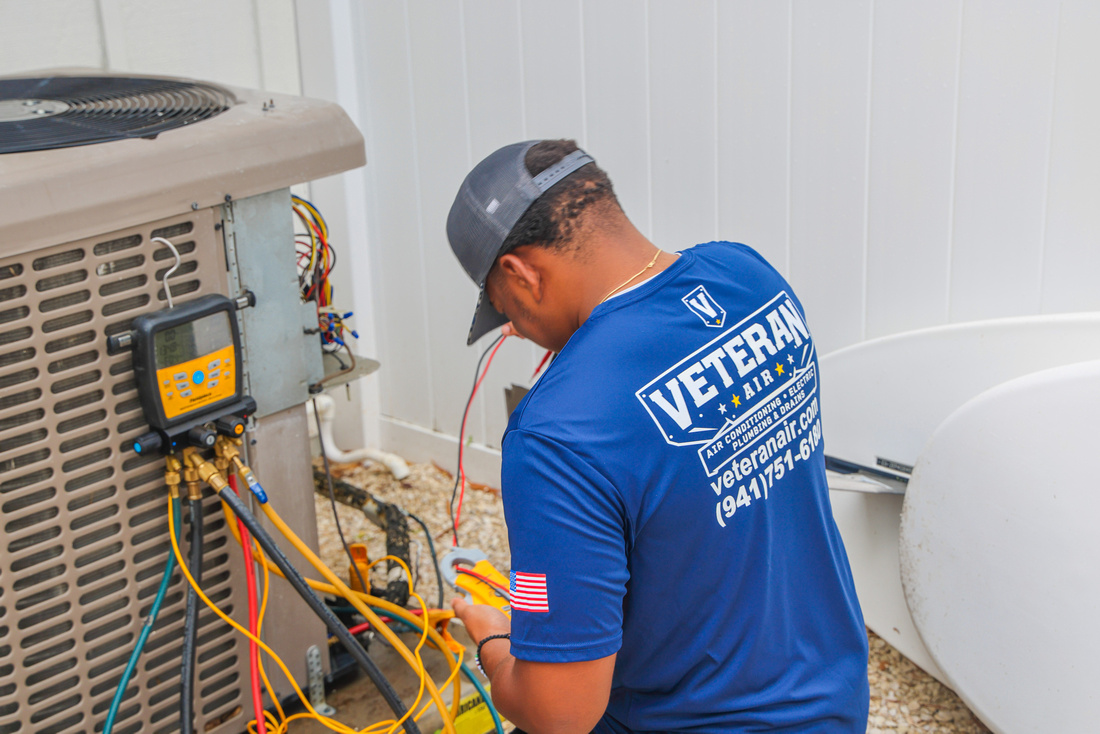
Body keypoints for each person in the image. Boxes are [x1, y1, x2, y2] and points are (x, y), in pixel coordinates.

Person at [446, 139, 869, 733]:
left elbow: (559, 713)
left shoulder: (555, 434)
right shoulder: (749, 276)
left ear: (521, 272)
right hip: (831, 702)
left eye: (503, 306)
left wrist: (495, 638)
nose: (513, 330)